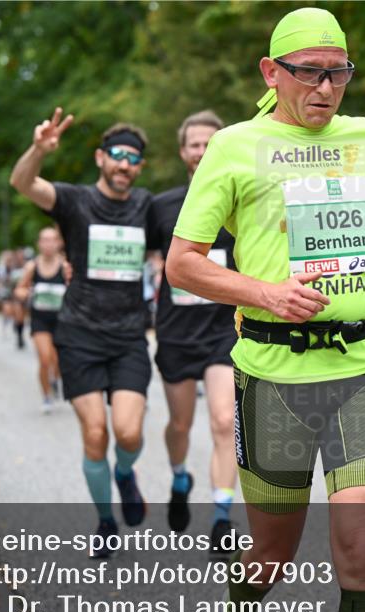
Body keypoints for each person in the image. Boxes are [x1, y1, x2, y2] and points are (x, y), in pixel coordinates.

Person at [165, 9, 365, 612]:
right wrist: (265, 292)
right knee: (273, 552)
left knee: (362, 552)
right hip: (273, 373)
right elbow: (183, 262)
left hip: (364, 366)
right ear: (270, 72)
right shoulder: (232, 145)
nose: (325, 88)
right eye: (308, 73)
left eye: (337, 73)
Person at [9, 110, 159, 558]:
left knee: (128, 434)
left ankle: (126, 473)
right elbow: (23, 184)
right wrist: (39, 149)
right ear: (100, 158)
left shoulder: (147, 207)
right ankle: (106, 521)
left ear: (139, 167)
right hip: (80, 337)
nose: (124, 165)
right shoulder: (75, 201)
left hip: (130, 336)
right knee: (96, 433)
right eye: (116, 155)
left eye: (133, 159)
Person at [152, 110, 240, 550]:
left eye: (210, 143)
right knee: (180, 424)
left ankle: (222, 517)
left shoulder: (241, 198)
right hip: (176, 331)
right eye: (194, 145)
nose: (202, 151)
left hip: (225, 330)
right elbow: (144, 258)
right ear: (183, 152)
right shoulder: (163, 206)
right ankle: (179, 476)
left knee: (225, 420)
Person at [14, 226, 67, 414]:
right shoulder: (32, 266)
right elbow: (19, 289)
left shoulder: (65, 266)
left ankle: (56, 379)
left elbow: (75, 289)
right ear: (39, 244)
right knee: (45, 359)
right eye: (44, 240)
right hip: (40, 320)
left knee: (58, 360)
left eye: (52, 240)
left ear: (58, 243)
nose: (48, 244)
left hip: (62, 320)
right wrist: (26, 293)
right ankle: (46, 396)